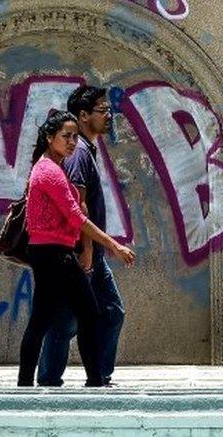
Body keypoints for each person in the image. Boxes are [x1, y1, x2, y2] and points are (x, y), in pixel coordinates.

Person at [18, 111, 136, 387]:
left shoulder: (50, 167)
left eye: (74, 137)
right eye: (65, 137)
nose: (72, 142)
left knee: (44, 319)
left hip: (49, 252)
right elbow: (76, 217)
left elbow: (75, 211)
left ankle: (27, 383)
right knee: (87, 313)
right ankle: (94, 380)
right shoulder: (49, 171)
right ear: (49, 138)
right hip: (54, 254)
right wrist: (114, 245)